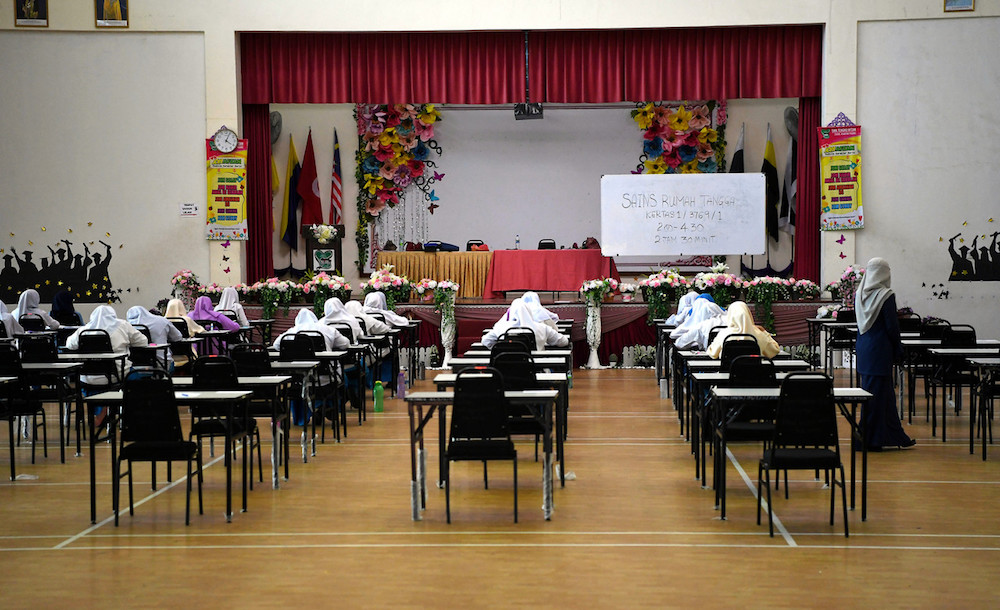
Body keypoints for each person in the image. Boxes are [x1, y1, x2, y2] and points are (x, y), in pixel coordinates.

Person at [854, 257, 915, 450]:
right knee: (876, 398)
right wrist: (898, 348)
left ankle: (897, 437)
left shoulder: (859, 294)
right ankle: (869, 440)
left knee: (884, 396)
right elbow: (892, 326)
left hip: (864, 349)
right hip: (880, 350)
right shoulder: (886, 295)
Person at [65, 305, 148, 386]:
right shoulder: (123, 325)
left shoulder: (83, 330)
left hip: (87, 377)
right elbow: (143, 341)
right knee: (137, 378)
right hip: (116, 374)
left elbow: (69, 344)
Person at [482, 298, 569, 350]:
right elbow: (564, 342)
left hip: (504, 372)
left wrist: (500, 347)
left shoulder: (501, 328)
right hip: (535, 369)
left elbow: (485, 341)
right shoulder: (541, 328)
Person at [706, 301, 780, 359]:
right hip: (755, 374)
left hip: (728, 373)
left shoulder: (724, 334)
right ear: (748, 314)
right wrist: (764, 332)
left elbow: (712, 353)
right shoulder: (759, 333)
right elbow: (775, 350)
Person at [126, 305, 183, 370]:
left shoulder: (127, 326)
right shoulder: (162, 321)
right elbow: (178, 337)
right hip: (162, 364)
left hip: (134, 366)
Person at [273, 309, 349, 351]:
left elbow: (276, 345)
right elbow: (345, 344)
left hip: (298, 375)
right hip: (325, 373)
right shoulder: (328, 329)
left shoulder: (292, 331)